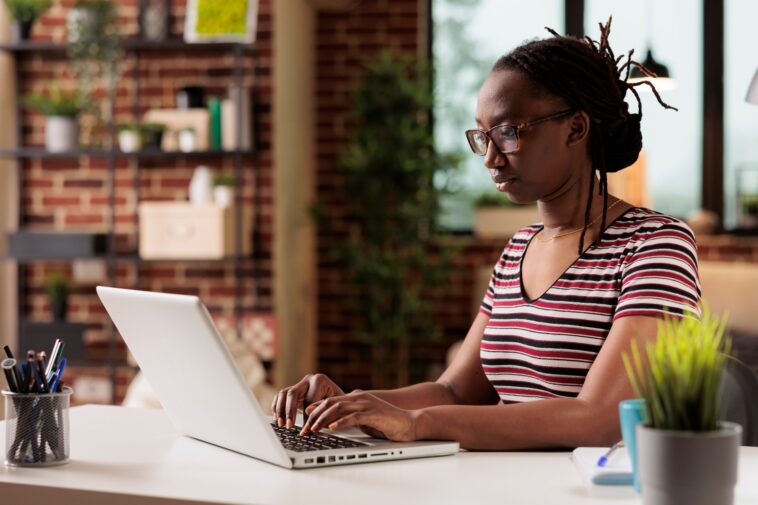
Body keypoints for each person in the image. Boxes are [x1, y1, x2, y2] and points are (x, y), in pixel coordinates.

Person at [271, 18, 701, 450]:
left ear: (575, 128)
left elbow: (601, 419)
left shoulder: (654, 245)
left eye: (509, 132)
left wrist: (418, 424)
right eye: (483, 135)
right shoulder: (519, 248)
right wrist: (347, 404)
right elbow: (456, 392)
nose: (490, 157)